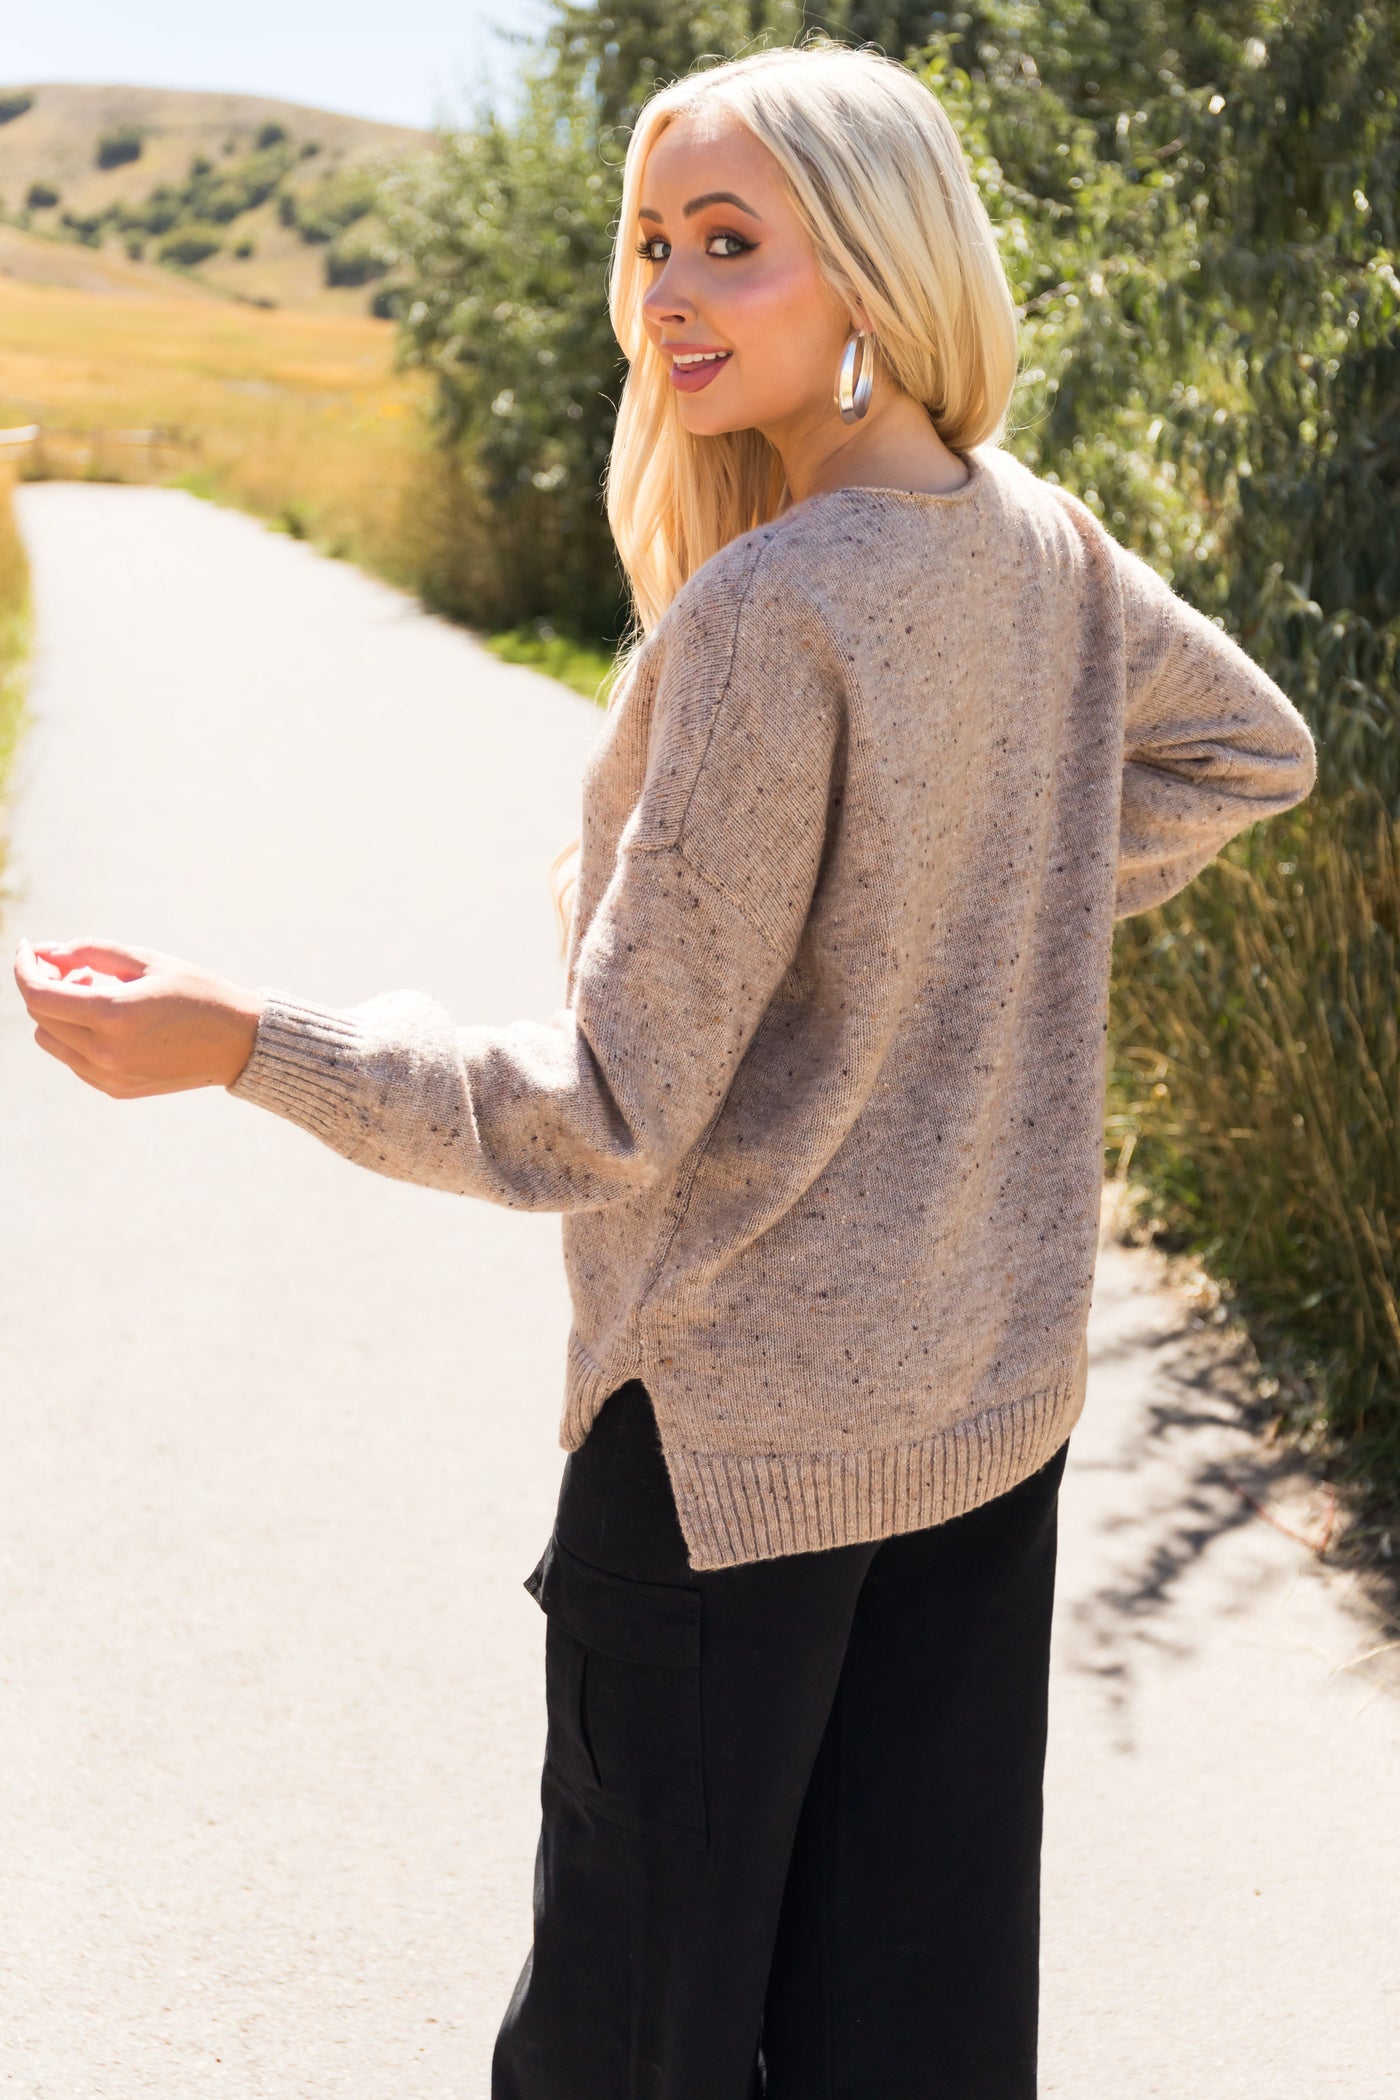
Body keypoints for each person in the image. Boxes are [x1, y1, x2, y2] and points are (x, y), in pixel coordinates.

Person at [12, 39, 1317, 2100]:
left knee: (632, 2042)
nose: (670, 294)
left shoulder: (774, 613)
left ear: (875, 279)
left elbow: (591, 1119)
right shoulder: (1039, 547)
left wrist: (237, 1041)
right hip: (984, 1413)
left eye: (732, 243)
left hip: (733, 1456)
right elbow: (1254, 750)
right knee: (910, 2034)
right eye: (649, 245)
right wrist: (970, 916)